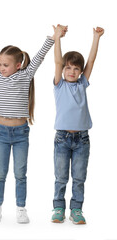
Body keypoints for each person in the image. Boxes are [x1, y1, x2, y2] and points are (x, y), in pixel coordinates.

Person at [0, 16, 58, 223]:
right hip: (1, 132)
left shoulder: (25, 76)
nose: (0, 67)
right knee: (0, 172)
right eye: (0, 64)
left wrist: (53, 37)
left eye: (5, 65)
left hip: (20, 133)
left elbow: (39, 57)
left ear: (17, 65)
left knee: (20, 173)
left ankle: (21, 208)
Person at [51, 26, 104, 225]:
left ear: (80, 71)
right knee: (61, 177)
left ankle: (76, 209)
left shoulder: (82, 83)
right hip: (62, 138)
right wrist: (57, 38)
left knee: (79, 177)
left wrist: (96, 37)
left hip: (82, 139)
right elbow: (57, 60)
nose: (71, 71)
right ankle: (58, 207)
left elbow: (91, 61)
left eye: (75, 68)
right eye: (68, 67)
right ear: (63, 69)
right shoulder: (59, 84)